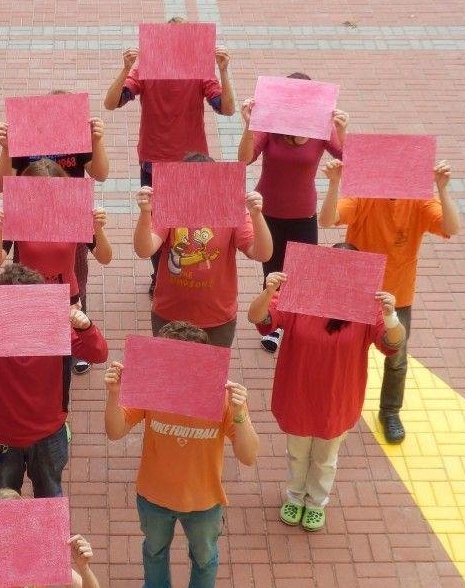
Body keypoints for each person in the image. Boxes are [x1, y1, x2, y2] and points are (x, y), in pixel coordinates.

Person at [103, 321, 259, 588]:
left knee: (204, 558)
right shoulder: (152, 390)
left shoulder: (221, 399)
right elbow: (115, 431)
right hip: (153, 495)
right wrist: (115, 394)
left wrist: (241, 413)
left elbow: (248, 455)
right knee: (154, 550)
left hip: (204, 502)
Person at [246, 250, 406, 531]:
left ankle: (316, 502)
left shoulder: (367, 308)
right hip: (298, 394)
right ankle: (295, 497)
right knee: (297, 453)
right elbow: (257, 318)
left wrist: (391, 316)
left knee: (325, 459)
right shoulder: (299, 297)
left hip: (337, 400)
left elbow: (393, 343)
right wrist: (269, 291)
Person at [0, 264, 109, 497]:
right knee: (9, 501)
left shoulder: (56, 327)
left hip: (46, 433)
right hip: (3, 436)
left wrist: (86, 328)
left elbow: (98, 354)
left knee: (47, 497)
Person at [319, 158, 460, 444]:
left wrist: (443, 190)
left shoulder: (420, 201)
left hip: (397, 296)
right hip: (356, 291)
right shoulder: (363, 196)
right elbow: (327, 219)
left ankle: (390, 412)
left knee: (396, 358)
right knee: (340, 353)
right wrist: (334, 184)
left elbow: (452, 227)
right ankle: (330, 404)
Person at [103, 17, 235, 294]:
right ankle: (160, 276)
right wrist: (125, 68)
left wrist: (224, 71)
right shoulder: (144, 70)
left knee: (190, 223)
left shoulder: (201, 72)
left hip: (192, 164)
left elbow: (226, 109)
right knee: (156, 224)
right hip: (154, 162)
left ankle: (185, 275)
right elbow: (111, 103)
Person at [0, 104, 110, 374]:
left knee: (76, 275)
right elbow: (1, 185)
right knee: (33, 350)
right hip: (31, 280)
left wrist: (96, 140)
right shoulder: (20, 211)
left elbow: (101, 173)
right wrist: (6, 147)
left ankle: (76, 342)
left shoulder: (77, 143)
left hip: (69, 231)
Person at [237, 73, 349, 352]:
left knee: (302, 273)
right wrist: (249, 125)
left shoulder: (321, 128)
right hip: (268, 212)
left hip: (303, 213)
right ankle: (273, 325)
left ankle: (297, 323)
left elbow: (347, 157)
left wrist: (342, 130)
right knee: (273, 270)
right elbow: (244, 158)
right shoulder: (270, 125)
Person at [132, 153, 273, 346]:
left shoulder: (232, 210)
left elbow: (263, 253)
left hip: (217, 317)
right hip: (170, 314)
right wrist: (145, 213)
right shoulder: (171, 207)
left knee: (211, 367)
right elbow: (144, 250)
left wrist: (257, 215)